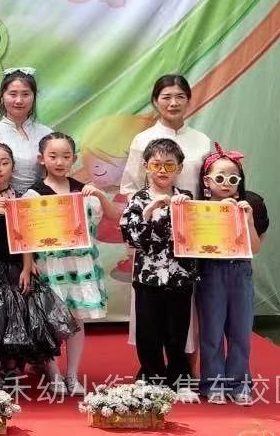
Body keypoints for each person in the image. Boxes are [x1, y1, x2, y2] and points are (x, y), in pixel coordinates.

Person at [119, 75, 212, 363]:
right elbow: (131, 187)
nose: (173, 103)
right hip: (151, 237)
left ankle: (186, 368)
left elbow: (207, 187)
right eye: (166, 97)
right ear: (155, 101)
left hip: (189, 234)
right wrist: (141, 226)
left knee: (186, 304)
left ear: (189, 100)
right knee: (149, 309)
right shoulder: (142, 140)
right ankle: (151, 371)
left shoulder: (201, 140)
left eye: (180, 96)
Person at [0, 143, 77, 388]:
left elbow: (27, 235)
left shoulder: (20, 196)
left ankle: (14, 369)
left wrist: (27, 266)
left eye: (4, 163)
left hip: (16, 265)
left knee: (20, 318)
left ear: (13, 167)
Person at [23, 132, 116, 395]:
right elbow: (26, 234)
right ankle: (53, 374)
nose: (60, 162)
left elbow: (113, 216)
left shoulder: (82, 190)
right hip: (49, 266)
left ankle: (72, 375)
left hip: (79, 265)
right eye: (53, 156)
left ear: (74, 159)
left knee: (76, 320)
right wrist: (29, 264)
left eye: (65, 156)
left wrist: (99, 194)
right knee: (50, 321)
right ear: (41, 159)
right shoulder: (33, 194)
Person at [120, 138, 198, 398]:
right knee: (148, 333)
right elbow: (133, 239)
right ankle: (152, 379)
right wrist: (150, 210)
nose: (162, 170)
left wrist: (184, 211)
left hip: (180, 278)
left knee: (177, 333)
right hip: (148, 279)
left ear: (179, 168)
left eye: (169, 165)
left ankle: (180, 381)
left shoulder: (186, 199)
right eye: (156, 164)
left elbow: (195, 236)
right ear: (146, 166)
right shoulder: (137, 200)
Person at [195, 145, 268, 405]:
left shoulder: (250, 205)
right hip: (210, 272)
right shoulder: (198, 209)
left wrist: (248, 220)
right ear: (207, 181)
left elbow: (255, 248)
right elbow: (192, 245)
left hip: (241, 271)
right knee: (211, 331)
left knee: (240, 331)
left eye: (233, 178)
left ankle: (240, 383)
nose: (226, 183)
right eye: (220, 177)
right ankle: (212, 383)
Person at [0, 68, 53, 195]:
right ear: (2, 97)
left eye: (25, 94)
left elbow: (55, 177)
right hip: (2, 202)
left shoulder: (47, 135)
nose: (19, 100)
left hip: (41, 200)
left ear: (33, 97)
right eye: (13, 94)